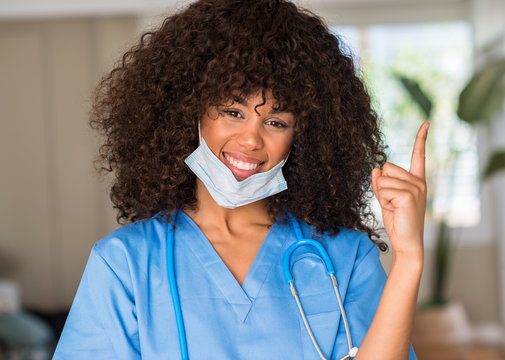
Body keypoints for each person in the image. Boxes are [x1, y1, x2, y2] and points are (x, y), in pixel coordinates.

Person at [53, 0, 428, 359]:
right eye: (233, 111)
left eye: (276, 122)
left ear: (304, 137)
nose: (251, 139)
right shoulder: (125, 263)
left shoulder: (346, 258)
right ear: (188, 112)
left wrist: (409, 257)